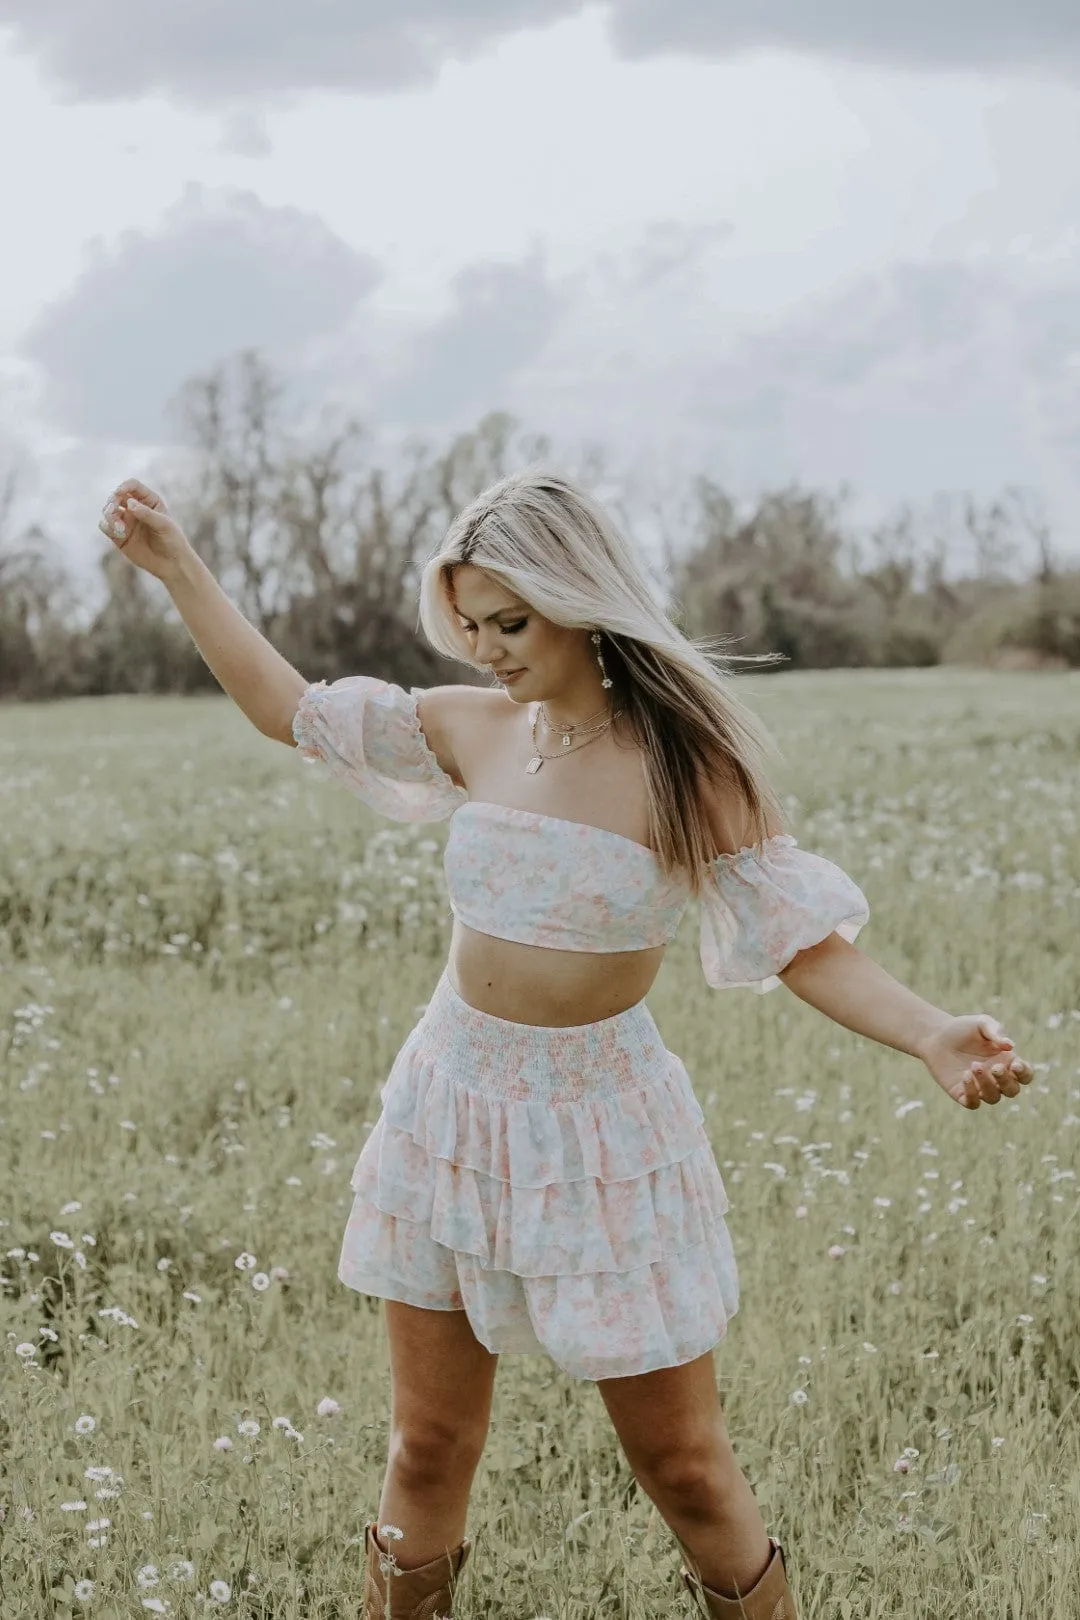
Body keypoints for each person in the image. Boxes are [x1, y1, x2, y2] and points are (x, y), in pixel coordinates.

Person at [99, 469, 1033, 1620]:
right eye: (472, 624)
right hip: (450, 1103)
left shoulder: (688, 767)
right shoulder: (471, 727)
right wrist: (178, 568)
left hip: (602, 1129)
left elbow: (802, 944)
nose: (486, 649)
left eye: (511, 622)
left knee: (685, 1468)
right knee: (429, 1446)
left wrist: (933, 1032)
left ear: (580, 603)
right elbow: (286, 707)